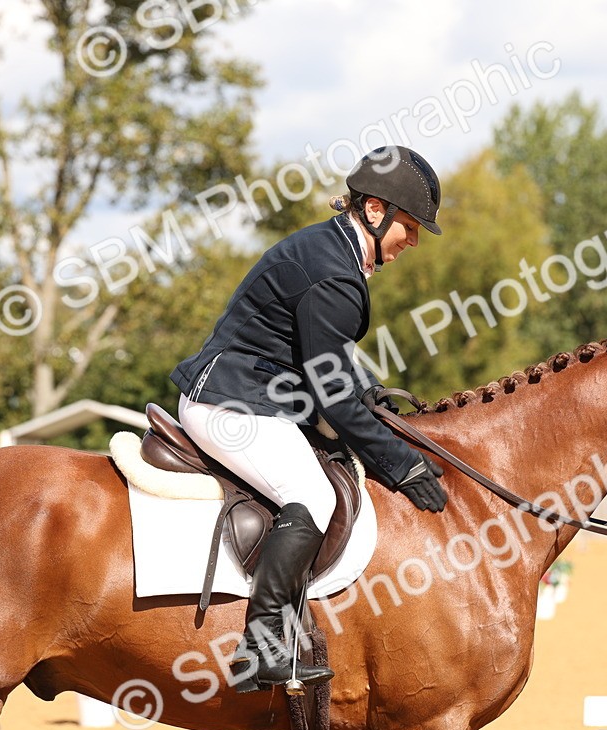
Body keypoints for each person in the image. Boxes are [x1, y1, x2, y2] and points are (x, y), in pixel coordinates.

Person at [170, 145, 449, 691]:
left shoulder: (331, 251)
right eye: (410, 227)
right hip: (230, 404)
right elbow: (332, 398)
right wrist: (402, 465)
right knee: (314, 496)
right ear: (375, 211)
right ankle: (262, 646)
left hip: (250, 393)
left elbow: (328, 357)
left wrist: (371, 392)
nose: (412, 242)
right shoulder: (335, 275)